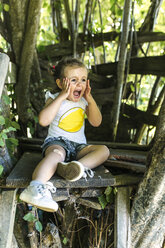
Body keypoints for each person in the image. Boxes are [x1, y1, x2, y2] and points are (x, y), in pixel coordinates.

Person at [20, 57, 110, 212]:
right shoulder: (54, 98)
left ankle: (76, 168)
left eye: (83, 79)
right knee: (55, 154)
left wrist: (89, 98)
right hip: (57, 143)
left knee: (104, 150)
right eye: (73, 80)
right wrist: (62, 95)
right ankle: (35, 188)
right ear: (61, 83)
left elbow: (96, 121)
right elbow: (43, 120)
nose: (79, 84)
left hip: (79, 147)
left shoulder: (84, 100)